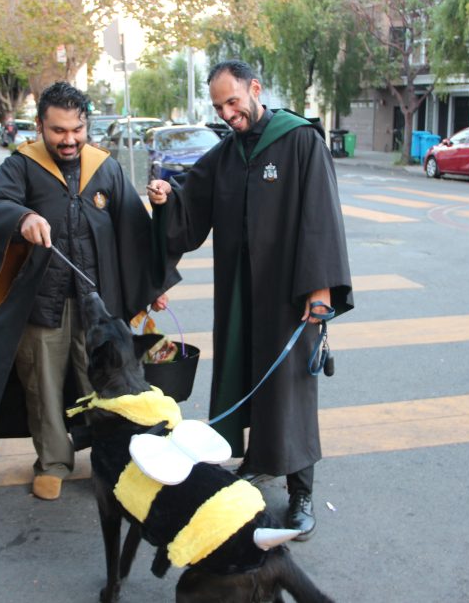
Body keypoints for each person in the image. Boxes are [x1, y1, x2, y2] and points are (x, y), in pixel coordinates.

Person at [146, 60, 353, 540]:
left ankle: (301, 492)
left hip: (290, 293)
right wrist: (165, 199)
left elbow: (321, 216)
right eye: (219, 106)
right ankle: (258, 463)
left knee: (290, 389)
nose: (227, 112)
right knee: (246, 377)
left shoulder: (300, 140)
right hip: (240, 294)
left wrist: (320, 289)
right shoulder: (226, 153)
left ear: (255, 89)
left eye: (233, 101)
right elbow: (189, 209)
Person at [0, 82, 176, 501]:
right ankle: (54, 461)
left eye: (77, 129)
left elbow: (133, 228)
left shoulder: (104, 167)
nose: (69, 139)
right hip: (42, 304)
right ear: (40, 126)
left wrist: (154, 285)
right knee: (43, 384)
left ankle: (113, 461)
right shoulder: (21, 166)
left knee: (107, 385)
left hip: (100, 304)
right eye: (58, 130)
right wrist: (21, 218)